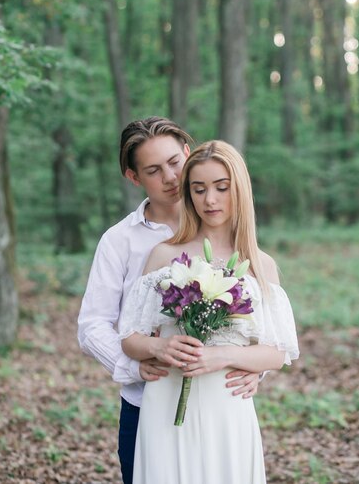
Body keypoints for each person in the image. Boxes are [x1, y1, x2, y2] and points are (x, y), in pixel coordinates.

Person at [77, 119, 262, 484]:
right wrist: (135, 366)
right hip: (147, 406)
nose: (170, 176)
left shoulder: (224, 228)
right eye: (153, 170)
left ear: (188, 155)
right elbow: (91, 325)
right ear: (134, 177)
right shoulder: (119, 241)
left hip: (217, 407)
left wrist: (255, 367)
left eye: (175, 162)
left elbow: (257, 315)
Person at [121, 140, 300, 484]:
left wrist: (224, 357)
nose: (210, 200)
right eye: (199, 189)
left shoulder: (260, 265)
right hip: (167, 399)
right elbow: (130, 338)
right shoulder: (164, 255)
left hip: (228, 402)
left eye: (221, 187)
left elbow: (278, 353)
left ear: (240, 190)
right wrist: (158, 347)